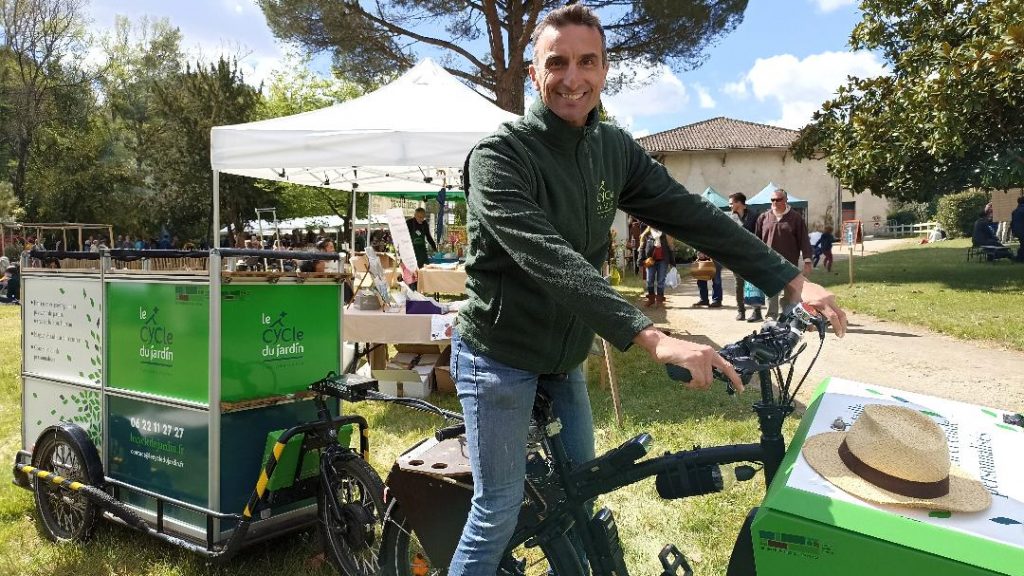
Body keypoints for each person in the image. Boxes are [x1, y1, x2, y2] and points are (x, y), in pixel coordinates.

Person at [452, 6, 847, 575]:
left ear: (604, 69)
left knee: (578, 493)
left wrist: (792, 279)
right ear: (535, 71)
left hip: (562, 356)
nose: (572, 77)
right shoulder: (500, 157)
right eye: (557, 62)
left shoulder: (611, 148)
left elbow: (689, 214)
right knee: (496, 507)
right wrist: (653, 338)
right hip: (500, 356)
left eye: (587, 62)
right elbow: (552, 262)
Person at [754, 188, 814, 319]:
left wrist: (807, 260)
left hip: (789, 263)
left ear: (786, 200)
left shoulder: (795, 218)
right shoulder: (763, 217)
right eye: (773, 200)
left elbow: (804, 239)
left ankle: (786, 316)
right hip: (769, 263)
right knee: (771, 290)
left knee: (789, 292)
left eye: (778, 199)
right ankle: (771, 316)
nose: (775, 202)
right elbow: (756, 241)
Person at [728, 192, 758, 321]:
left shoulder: (754, 215)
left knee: (754, 284)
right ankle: (741, 311)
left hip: (752, 256)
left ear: (739, 203)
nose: (730, 206)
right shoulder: (730, 217)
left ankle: (757, 312)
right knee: (739, 285)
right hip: (737, 256)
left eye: (731, 203)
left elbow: (759, 234)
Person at [639, 226, 674, 307]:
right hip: (651, 260)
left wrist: (673, 262)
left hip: (663, 260)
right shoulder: (647, 234)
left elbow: (670, 248)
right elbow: (642, 248)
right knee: (649, 280)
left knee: (661, 280)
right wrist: (640, 261)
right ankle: (651, 299)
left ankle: (659, 299)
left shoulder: (665, 234)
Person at [1011, 196, 1024, 262]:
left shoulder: (1014, 211)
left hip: (1017, 231)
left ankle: (1019, 257)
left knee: (1022, 243)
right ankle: (1020, 258)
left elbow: (1012, 222)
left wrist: (1013, 231)